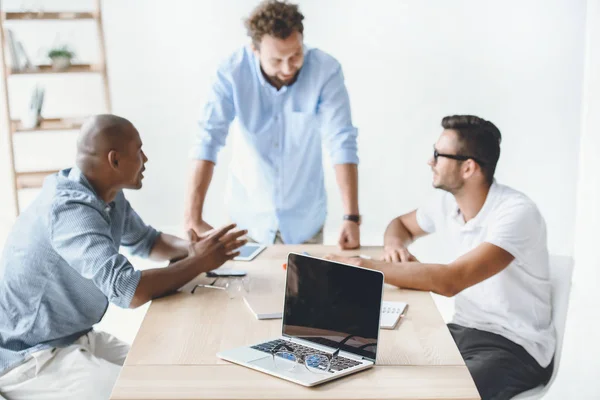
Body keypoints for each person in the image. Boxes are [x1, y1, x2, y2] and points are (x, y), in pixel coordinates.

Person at [0, 115, 246, 400]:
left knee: (170, 380)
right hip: (31, 358)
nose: (146, 158)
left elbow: (148, 241)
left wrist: (194, 248)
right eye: (139, 151)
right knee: (139, 394)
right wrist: (200, 262)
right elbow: (128, 290)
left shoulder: (106, 195)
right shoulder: (71, 211)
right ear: (114, 160)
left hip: (74, 336)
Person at [327, 115, 555, 400]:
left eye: (438, 154)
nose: (429, 161)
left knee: (441, 394)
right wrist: (394, 245)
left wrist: (369, 266)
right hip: (462, 331)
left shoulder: (516, 213)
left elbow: (452, 280)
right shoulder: (448, 203)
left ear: (468, 167)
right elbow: (400, 225)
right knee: (369, 361)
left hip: (514, 347)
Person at [185, 0, 361, 248]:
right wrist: (193, 216)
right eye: (277, 60)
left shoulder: (326, 71)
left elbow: (341, 140)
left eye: (296, 55)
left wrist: (351, 216)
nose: (288, 67)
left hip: (305, 219)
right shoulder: (231, 73)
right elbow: (207, 140)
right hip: (246, 219)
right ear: (255, 50)